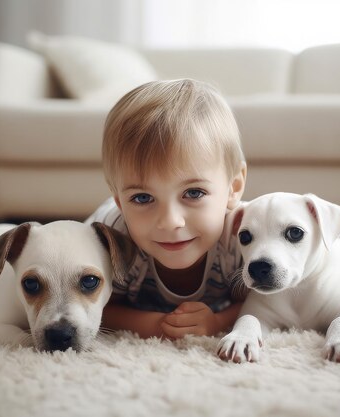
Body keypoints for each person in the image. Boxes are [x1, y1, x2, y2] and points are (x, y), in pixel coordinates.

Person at [87, 79, 247, 339]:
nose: (170, 222)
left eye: (193, 193)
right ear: (118, 200)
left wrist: (218, 322)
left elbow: (264, 302)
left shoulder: (241, 236)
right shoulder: (114, 237)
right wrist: (157, 324)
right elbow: (94, 306)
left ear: (233, 188)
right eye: (142, 198)